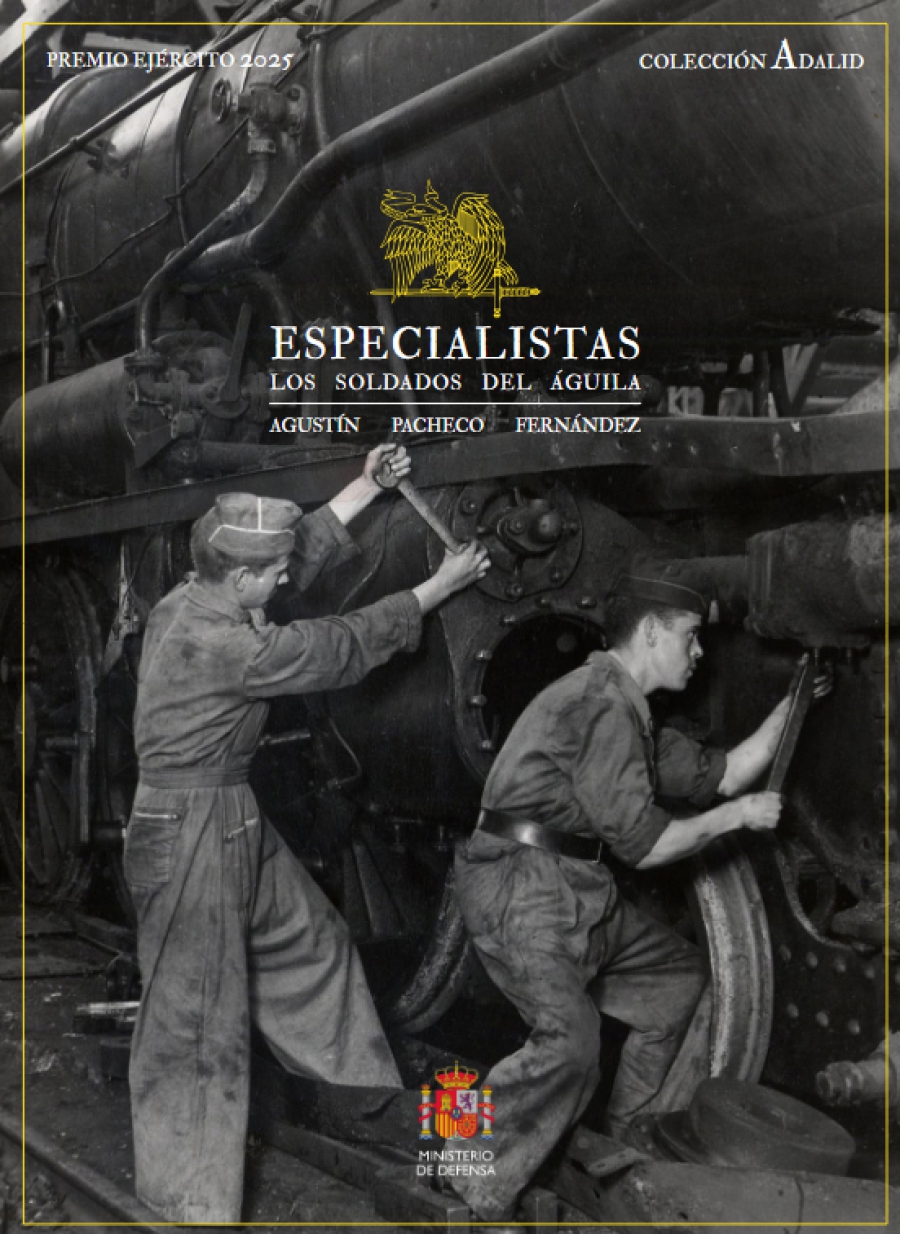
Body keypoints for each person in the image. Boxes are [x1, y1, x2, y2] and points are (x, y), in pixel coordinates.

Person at [125, 442, 489, 1223]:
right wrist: (438, 589)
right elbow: (338, 647)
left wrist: (364, 485)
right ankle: (187, 1202)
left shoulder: (204, 594)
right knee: (197, 1018)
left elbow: (299, 554)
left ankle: (359, 1102)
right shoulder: (225, 645)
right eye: (274, 574)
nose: (287, 579)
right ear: (241, 579)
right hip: (189, 827)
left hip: (230, 815)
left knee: (312, 946)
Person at [452, 569, 829, 1223]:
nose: (699, 652)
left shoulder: (632, 713)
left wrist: (794, 702)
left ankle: (628, 1143)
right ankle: (464, 1175)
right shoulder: (598, 704)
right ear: (652, 632)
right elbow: (648, 848)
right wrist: (737, 819)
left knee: (681, 988)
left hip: (576, 890)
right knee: (569, 1046)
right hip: (522, 889)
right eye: (690, 637)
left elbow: (727, 773)